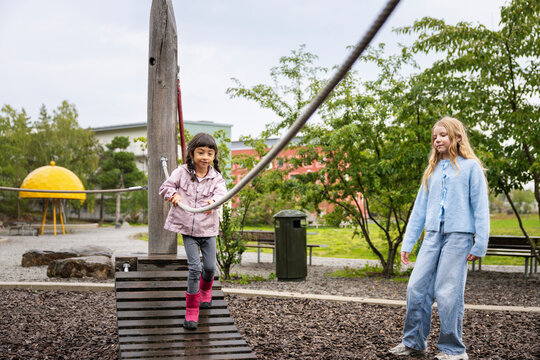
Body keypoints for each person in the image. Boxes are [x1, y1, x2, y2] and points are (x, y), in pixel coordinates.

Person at [389, 117, 489, 360]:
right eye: (435, 137)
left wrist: (481, 242)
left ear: (456, 137)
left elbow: (480, 206)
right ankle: (414, 342)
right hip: (432, 237)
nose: (438, 140)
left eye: (443, 135)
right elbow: (419, 210)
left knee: (447, 292)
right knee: (416, 288)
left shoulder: (471, 167)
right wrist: (409, 242)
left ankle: (453, 350)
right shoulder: (432, 170)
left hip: (458, 237)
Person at [159, 132, 227, 330]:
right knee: (195, 268)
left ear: (214, 156)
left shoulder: (216, 178)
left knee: (210, 269)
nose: (205, 157)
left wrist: (213, 202)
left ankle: (206, 292)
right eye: (200, 152)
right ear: (191, 154)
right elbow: (166, 186)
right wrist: (174, 195)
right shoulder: (181, 172)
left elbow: (222, 194)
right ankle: (191, 309)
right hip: (188, 228)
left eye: (209, 153)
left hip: (208, 229)